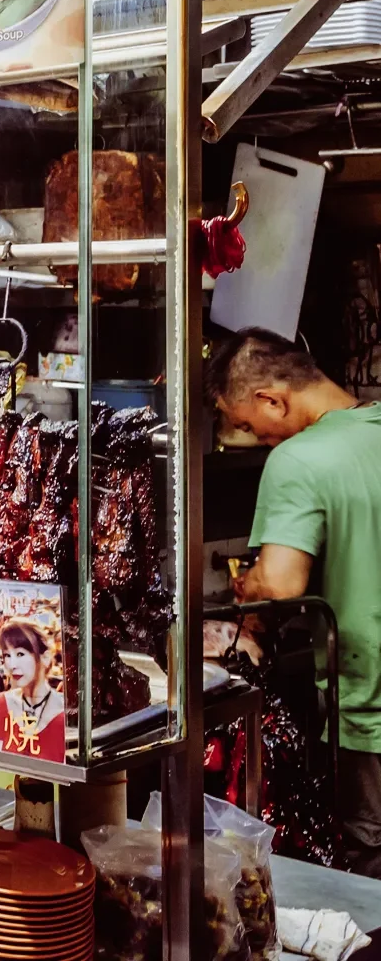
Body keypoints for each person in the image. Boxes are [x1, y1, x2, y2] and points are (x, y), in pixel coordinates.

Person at [207, 326, 381, 875]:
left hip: (370, 715)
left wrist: (250, 587)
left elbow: (281, 583)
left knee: (369, 872)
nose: (256, 439)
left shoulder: (300, 459)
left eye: (246, 426)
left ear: (271, 399)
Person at [0, 618, 64, 761]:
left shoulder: (63, 713)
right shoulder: (2, 703)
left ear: (45, 657)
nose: (12, 665)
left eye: (20, 654)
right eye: (7, 655)